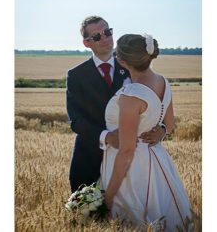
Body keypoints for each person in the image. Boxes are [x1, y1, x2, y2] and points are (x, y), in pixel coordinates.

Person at [100, 34, 192, 231]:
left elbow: (127, 151)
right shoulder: (163, 82)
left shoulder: (131, 95)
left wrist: (107, 199)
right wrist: (162, 132)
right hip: (158, 160)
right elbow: (170, 123)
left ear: (123, 61)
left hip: (133, 170)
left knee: (136, 221)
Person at [66, 16, 166, 193]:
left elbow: (156, 102)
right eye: (97, 37)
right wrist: (107, 137)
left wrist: (162, 129)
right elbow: (76, 120)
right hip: (89, 157)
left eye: (107, 32)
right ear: (86, 43)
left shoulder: (132, 65)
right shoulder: (76, 75)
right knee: (87, 217)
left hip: (134, 161)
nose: (104, 38)